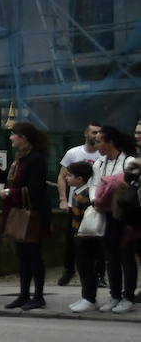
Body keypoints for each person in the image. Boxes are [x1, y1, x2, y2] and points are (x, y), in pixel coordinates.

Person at [0, 122, 51, 310]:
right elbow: (5, 178)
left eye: (13, 134)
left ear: (23, 137)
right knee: (22, 255)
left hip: (33, 214)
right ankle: (24, 294)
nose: (11, 138)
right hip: (18, 212)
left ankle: (39, 296)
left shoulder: (36, 159)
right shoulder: (18, 158)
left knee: (34, 255)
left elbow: (35, 189)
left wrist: (11, 192)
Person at [89, 126, 135, 313]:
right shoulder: (99, 163)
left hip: (125, 215)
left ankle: (128, 297)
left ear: (110, 142)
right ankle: (115, 295)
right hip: (106, 213)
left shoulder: (129, 161)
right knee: (111, 257)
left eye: (100, 141)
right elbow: (94, 184)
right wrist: (94, 199)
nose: (96, 144)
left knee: (126, 255)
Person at [56, 122, 102, 287]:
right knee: (71, 239)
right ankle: (69, 270)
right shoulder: (73, 153)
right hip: (74, 203)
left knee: (97, 239)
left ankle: (99, 274)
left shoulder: (102, 154)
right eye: (93, 132)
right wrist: (62, 199)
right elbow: (62, 176)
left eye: (98, 133)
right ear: (86, 133)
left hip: (94, 203)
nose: (95, 135)